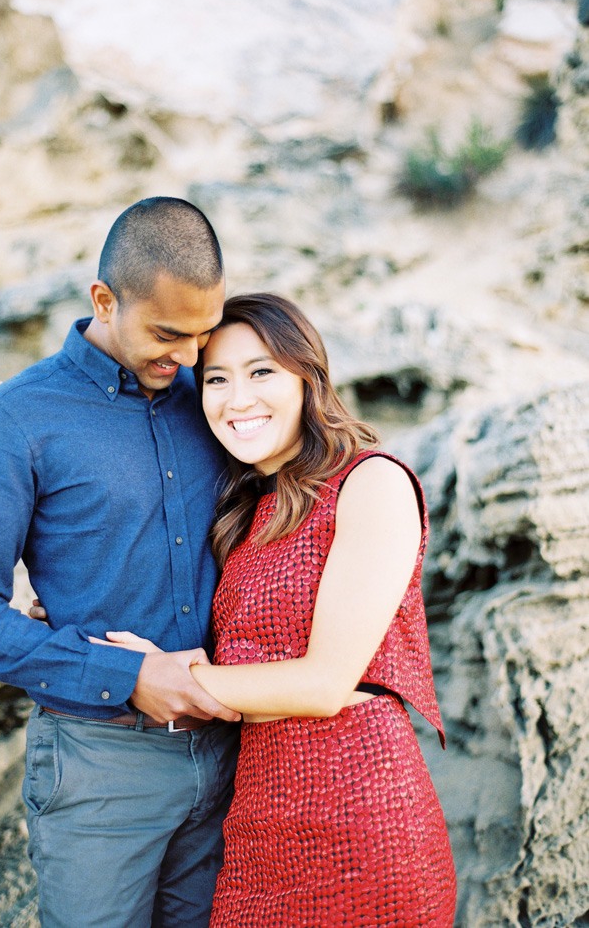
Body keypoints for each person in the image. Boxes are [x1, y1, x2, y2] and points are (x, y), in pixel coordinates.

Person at [0, 197, 242, 928]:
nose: (189, 356)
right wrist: (125, 675)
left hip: (232, 757)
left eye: (203, 334)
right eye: (168, 333)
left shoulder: (215, 400)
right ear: (104, 299)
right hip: (99, 770)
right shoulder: (16, 418)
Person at [96, 293, 457, 926]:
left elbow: (323, 683)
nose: (238, 399)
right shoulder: (249, 509)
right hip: (259, 827)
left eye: (261, 371)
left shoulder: (372, 482)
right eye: (216, 379)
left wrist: (168, 680)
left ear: (307, 377)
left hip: (363, 820)